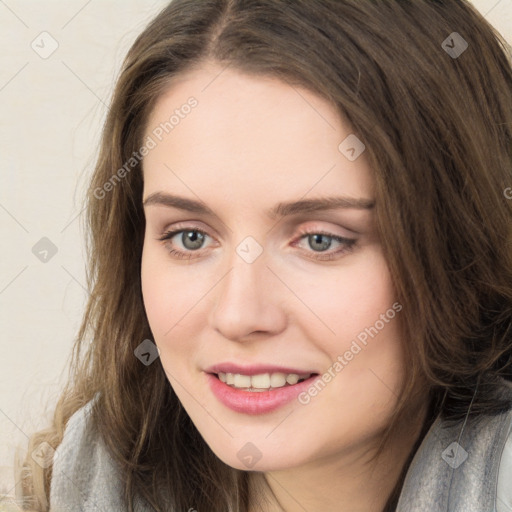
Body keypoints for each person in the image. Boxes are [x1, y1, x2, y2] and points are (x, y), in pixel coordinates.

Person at [17, 0, 512, 511]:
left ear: (464, 250)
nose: (238, 315)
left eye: (321, 240)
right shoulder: (85, 480)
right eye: (190, 237)